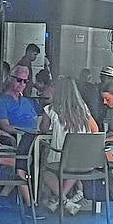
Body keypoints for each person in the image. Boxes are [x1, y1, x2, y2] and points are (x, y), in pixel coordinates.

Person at [39, 77, 100, 215]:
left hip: (61, 159)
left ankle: (62, 200)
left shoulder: (50, 109)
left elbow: (43, 130)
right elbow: (95, 129)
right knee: (75, 169)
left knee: (45, 173)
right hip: (84, 162)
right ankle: (65, 201)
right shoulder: (83, 110)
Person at [0, 65, 40, 207]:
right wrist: (26, 131)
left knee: (46, 157)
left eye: (26, 81)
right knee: (25, 159)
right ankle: (31, 204)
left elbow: (41, 118)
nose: (22, 84)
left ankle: (5, 195)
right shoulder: (1, 100)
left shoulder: (28, 101)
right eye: (19, 80)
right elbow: (4, 126)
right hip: (15, 140)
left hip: (35, 140)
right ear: (10, 79)